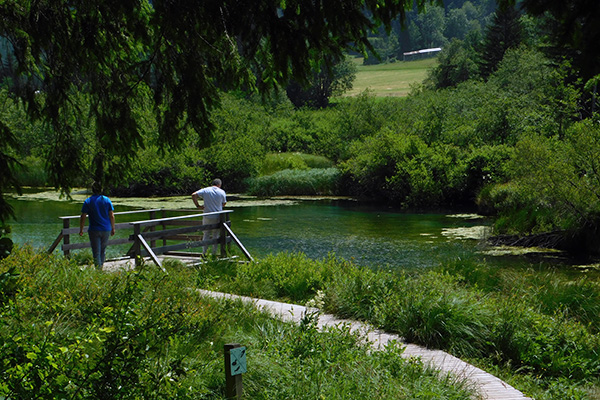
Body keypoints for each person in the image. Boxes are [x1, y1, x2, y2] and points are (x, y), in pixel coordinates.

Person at [79, 182, 115, 269]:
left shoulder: (88, 201)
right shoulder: (106, 200)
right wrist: (113, 228)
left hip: (94, 229)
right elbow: (112, 215)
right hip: (106, 229)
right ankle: (100, 268)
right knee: (103, 251)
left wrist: (81, 229)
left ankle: (98, 271)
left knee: (96, 252)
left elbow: (83, 216)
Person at [192, 178, 227, 255]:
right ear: (219, 185)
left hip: (207, 215)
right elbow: (224, 203)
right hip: (217, 216)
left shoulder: (206, 190)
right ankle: (214, 253)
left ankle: (204, 253)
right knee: (215, 235)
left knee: (206, 234)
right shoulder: (222, 192)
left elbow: (194, 195)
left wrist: (198, 206)